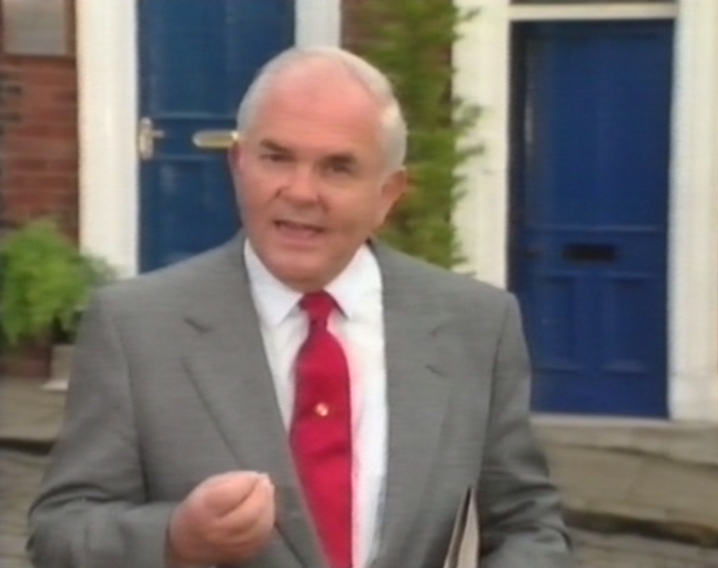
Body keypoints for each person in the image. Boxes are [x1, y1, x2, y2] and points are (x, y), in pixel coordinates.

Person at [27, 46, 574, 568]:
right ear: (239, 164)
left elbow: (528, 525)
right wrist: (177, 539)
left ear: (387, 194)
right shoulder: (136, 328)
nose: (300, 191)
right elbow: (61, 532)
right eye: (277, 158)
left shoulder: (477, 325)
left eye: (337, 168)